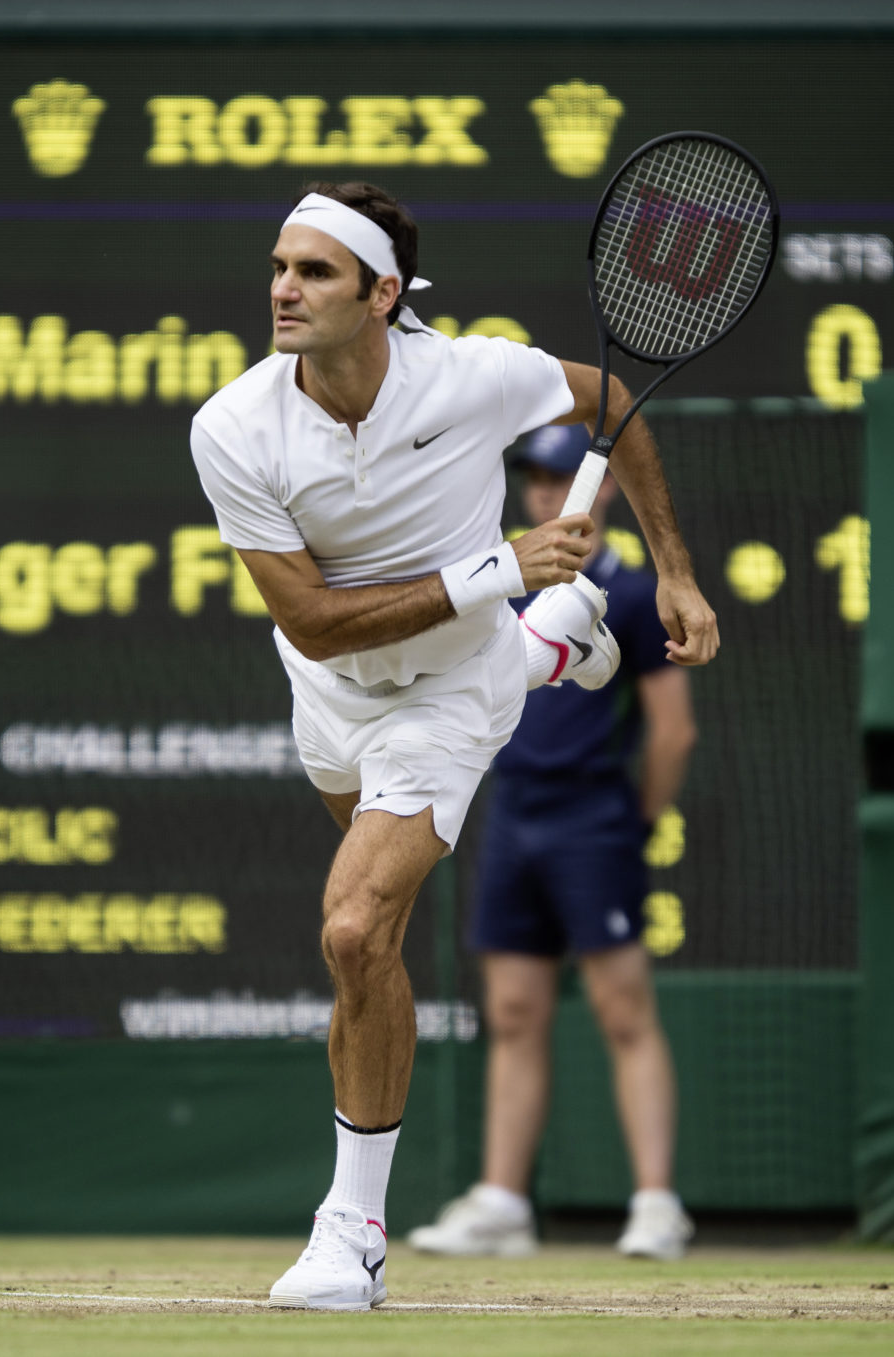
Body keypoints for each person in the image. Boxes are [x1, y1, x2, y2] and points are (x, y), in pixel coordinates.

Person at [189, 182, 719, 1310]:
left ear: (382, 294)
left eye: (315, 271)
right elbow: (313, 622)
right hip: (330, 689)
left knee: (350, 927)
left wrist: (669, 569)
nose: (283, 287)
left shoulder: (472, 375)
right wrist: (505, 571)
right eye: (279, 266)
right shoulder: (232, 426)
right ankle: (546, 648)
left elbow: (612, 397)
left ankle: (351, 1234)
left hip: (445, 689)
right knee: (369, 957)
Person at [406, 424, 699, 1261]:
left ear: (600, 489)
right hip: (513, 813)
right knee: (513, 1011)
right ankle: (503, 1203)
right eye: (534, 475)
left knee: (623, 1009)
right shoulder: (501, 586)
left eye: (561, 475)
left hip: (594, 817)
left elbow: (672, 733)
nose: (546, 489)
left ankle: (655, 1204)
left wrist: (632, 820)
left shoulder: (634, 593)